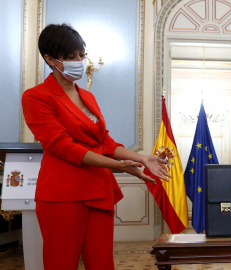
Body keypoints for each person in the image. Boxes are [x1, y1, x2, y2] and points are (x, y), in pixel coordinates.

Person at [22, 24, 171, 270]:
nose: (79, 61)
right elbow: (62, 146)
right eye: (71, 57)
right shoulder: (36, 96)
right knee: (61, 263)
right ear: (50, 59)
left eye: (82, 54)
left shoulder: (88, 97)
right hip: (63, 194)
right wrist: (118, 166)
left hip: (98, 189)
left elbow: (104, 142)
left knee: (102, 263)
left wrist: (141, 158)